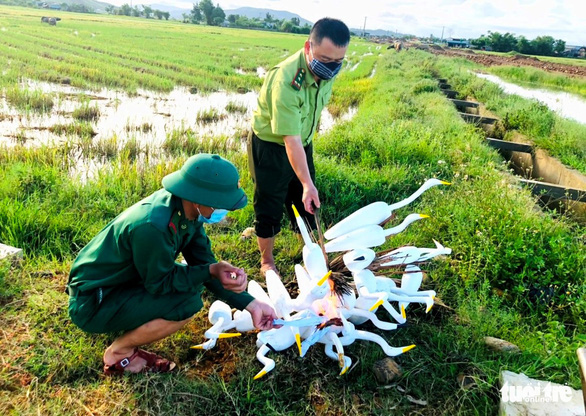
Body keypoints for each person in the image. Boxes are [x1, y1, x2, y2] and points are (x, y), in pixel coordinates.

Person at [67, 153, 277, 375]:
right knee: (186, 302)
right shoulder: (154, 226)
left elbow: (204, 263)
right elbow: (161, 283)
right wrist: (210, 271)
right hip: (93, 301)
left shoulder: (187, 212)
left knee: (192, 282)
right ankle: (119, 353)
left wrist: (252, 305)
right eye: (221, 205)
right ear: (199, 199)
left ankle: (126, 319)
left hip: (122, 282)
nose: (224, 212)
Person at [248, 17, 350, 276]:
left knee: (306, 201)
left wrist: (306, 183)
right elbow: (288, 139)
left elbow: (304, 128)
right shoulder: (287, 80)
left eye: (338, 62)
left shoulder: (329, 69)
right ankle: (267, 261)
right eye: (326, 61)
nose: (331, 68)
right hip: (272, 146)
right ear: (308, 47)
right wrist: (306, 182)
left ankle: (308, 250)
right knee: (270, 203)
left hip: (302, 142)